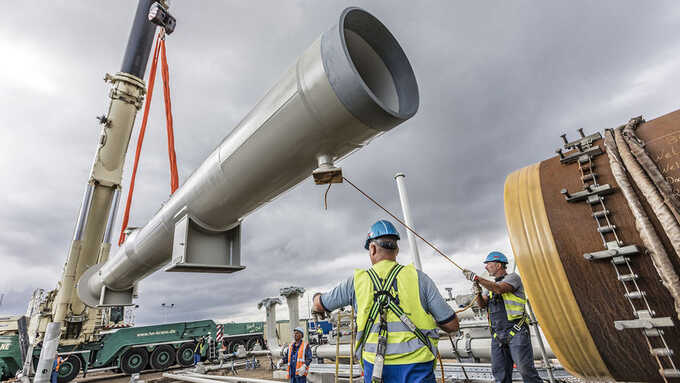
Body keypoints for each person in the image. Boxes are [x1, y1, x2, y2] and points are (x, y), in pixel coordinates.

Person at [312, 220, 459, 383]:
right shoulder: (419, 279)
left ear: (372, 248)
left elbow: (320, 304)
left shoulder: (356, 282)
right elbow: (452, 325)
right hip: (417, 367)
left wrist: (315, 297)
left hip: (375, 367)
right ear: (396, 249)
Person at [463, 251, 542, 383]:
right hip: (497, 335)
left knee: (526, 371)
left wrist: (477, 278)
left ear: (499, 265)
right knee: (500, 375)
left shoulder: (513, 278)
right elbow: (482, 304)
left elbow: (499, 289)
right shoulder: (490, 286)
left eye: (488, 264)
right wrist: (477, 291)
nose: (486, 267)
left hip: (516, 332)